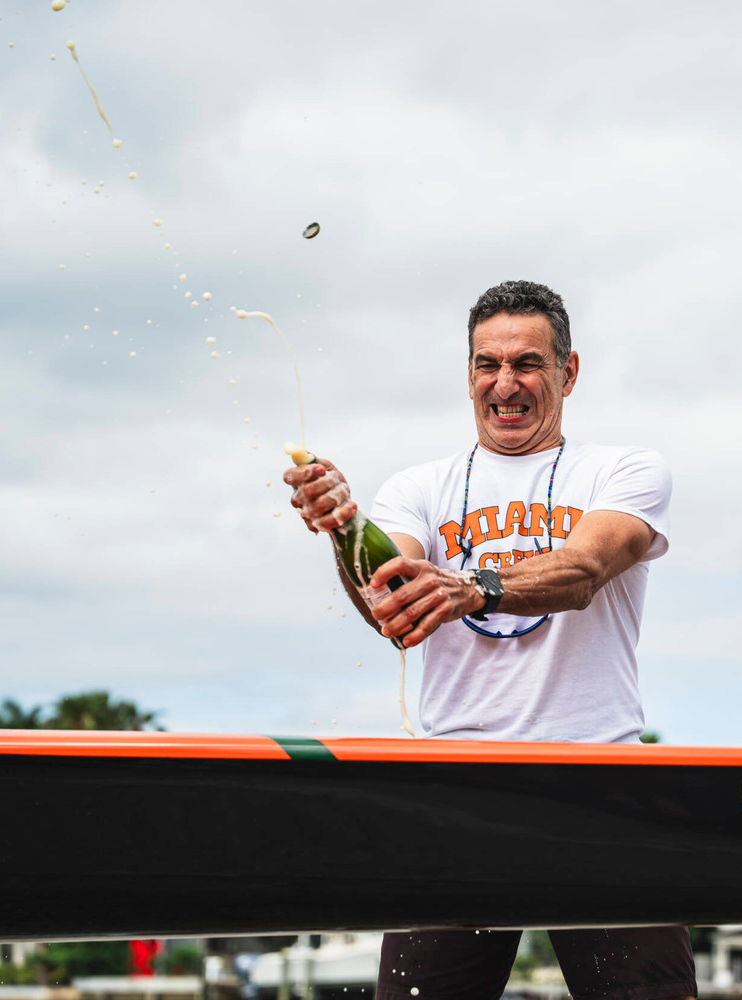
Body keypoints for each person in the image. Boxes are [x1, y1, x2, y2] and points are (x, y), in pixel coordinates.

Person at [285, 279, 695, 1000]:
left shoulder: (624, 471)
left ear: (568, 372)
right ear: (469, 373)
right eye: (486, 364)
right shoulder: (417, 488)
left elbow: (586, 567)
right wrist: (342, 527)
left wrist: (474, 588)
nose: (505, 384)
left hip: (599, 788)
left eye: (527, 363)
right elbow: (390, 604)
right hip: (454, 790)